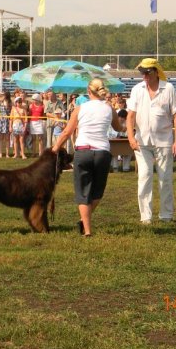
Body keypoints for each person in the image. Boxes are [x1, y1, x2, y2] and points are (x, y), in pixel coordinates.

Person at [52, 78, 123, 236]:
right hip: (102, 152)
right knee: (97, 191)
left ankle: (87, 229)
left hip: (83, 151)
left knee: (83, 192)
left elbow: (67, 132)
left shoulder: (80, 108)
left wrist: (55, 148)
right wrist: (129, 125)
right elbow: (118, 128)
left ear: (88, 92)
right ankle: (84, 221)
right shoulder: (109, 109)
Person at [126, 58, 176, 225]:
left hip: (164, 140)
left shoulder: (168, 88)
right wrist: (130, 137)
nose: (144, 76)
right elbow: (130, 116)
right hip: (141, 141)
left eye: (148, 72)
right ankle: (145, 217)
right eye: (142, 72)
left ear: (156, 72)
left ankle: (166, 215)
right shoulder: (137, 89)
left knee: (165, 178)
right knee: (144, 176)